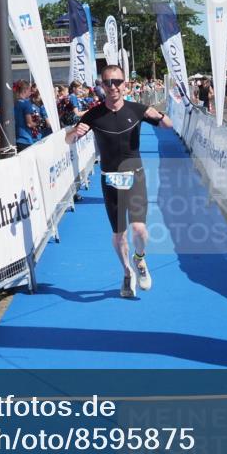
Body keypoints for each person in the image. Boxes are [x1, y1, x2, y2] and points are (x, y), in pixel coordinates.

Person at [65, 65, 172, 298]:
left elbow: (168, 125)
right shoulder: (94, 114)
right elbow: (68, 140)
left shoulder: (138, 109)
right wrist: (75, 133)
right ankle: (126, 272)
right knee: (119, 234)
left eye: (117, 82)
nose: (112, 87)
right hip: (109, 179)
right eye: (107, 82)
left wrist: (160, 116)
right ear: (102, 86)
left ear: (125, 84)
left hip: (135, 175)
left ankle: (140, 260)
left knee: (140, 230)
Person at [13, 80, 38, 153]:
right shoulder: (26, 103)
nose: (30, 92)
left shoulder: (14, 102)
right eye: (29, 90)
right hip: (26, 140)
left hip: (16, 138)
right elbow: (29, 123)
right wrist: (38, 123)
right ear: (25, 90)